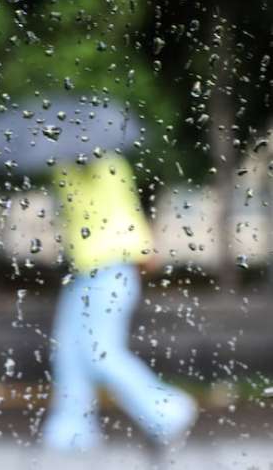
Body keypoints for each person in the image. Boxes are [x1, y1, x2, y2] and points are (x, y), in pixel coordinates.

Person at [42, 153, 197, 451]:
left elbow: (115, 211)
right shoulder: (78, 165)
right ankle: (72, 429)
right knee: (69, 350)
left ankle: (166, 410)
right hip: (87, 272)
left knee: (99, 353)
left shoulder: (101, 164)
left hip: (110, 269)